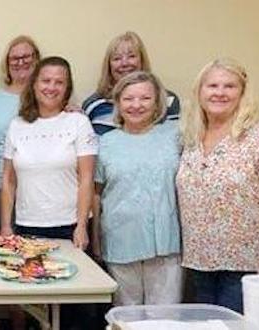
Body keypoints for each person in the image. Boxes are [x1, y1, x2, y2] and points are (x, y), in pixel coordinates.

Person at [177, 58, 259, 313]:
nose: (219, 92)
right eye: (212, 85)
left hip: (249, 262)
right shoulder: (191, 134)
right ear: (200, 91)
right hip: (199, 261)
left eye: (229, 86)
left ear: (242, 93)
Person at [92, 71, 182, 306]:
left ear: (157, 102)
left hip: (166, 244)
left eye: (145, 98)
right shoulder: (106, 143)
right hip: (121, 239)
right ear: (118, 103)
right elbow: (96, 193)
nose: (136, 105)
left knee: (164, 319)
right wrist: (95, 237)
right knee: (125, 316)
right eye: (128, 99)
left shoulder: (175, 136)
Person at [0, 56, 97, 248]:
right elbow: (8, 180)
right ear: (34, 85)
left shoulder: (79, 123)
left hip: (69, 226)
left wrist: (82, 226)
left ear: (67, 89)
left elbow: (87, 179)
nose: (51, 87)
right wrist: (5, 226)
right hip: (27, 225)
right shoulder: (17, 125)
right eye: (46, 81)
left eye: (59, 82)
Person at [0, 35, 41, 235]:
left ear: (37, 59)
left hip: (38, 188)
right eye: (14, 58)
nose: (20, 62)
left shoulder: (48, 95)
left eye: (26, 57)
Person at [83, 31, 180, 135]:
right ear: (109, 66)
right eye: (117, 58)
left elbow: (173, 140)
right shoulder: (94, 104)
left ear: (142, 60)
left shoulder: (167, 100)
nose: (124, 63)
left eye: (131, 56)